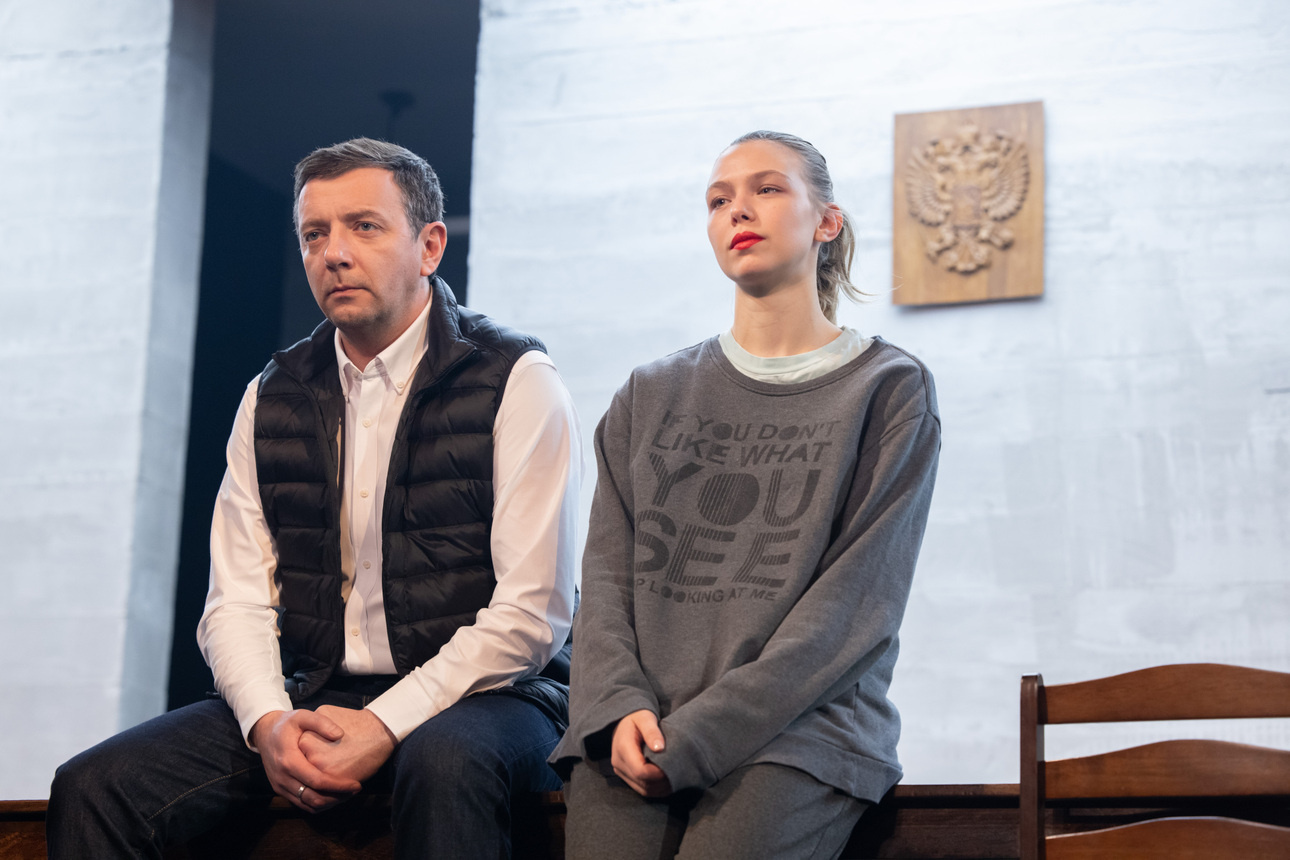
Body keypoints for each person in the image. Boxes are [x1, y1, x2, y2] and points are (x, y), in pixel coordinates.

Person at [47, 138, 582, 860]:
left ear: (429, 247)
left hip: (498, 696)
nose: (334, 253)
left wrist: (384, 723)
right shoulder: (270, 397)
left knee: (445, 762)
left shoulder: (517, 378)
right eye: (313, 233)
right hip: (319, 691)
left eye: (364, 227)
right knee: (94, 786)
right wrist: (269, 723)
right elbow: (235, 602)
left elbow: (532, 614)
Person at [551, 130, 941, 859]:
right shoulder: (650, 393)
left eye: (767, 188)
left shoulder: (888, 389)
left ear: (827, 222)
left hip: (799, 733)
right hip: (638, 729)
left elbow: (854, 608)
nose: (738, 209)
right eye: (717, 200)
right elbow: (603, 582)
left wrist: (701, 735)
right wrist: (617, 707)